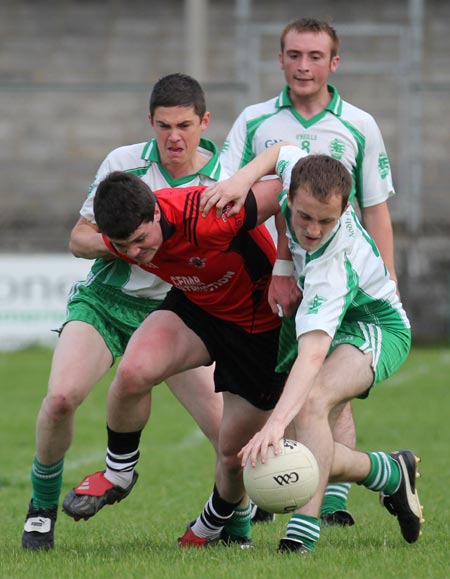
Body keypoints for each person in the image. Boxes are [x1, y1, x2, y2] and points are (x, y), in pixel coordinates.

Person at [21, 73, 227, 551]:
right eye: (163, 126)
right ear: (150, 123)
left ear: (204, 122)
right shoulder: (124, 163)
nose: (174, 137)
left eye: (184, 125)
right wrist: (129, 249)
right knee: (60, 399)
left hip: (178, 311)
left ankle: (231, 530)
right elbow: (78, 239)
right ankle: (40, 508)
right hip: (107, 304)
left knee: (226, 431)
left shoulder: (225, 174)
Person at [200, 143, 423, 553]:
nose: (314, 230)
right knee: (298, 438)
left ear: (344, 209)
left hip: (374, 325)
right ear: (290, 195)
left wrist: (272, 426)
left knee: (310, 403)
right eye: (304, 216)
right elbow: (281, 151)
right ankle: (389, 473)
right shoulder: (299, 173)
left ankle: (303, 530)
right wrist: (240, 181)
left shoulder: (332, 267)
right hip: (323, 316)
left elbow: (313, 356)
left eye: (327, 220)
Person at [219, 17, 399, 525]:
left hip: (340, 273)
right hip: (270, 274)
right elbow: (230, 188)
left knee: (324, 386)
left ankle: (325, 502)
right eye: (294, 55)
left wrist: (387, 275)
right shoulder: (255, 121)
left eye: (315, 56)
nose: (303, 65)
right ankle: (305, 485)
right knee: (297, 383)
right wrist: (276, 263)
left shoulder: (359, 124)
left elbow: (376, 207)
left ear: (333, 63)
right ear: (280, 59)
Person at [60, 169, 285, 550]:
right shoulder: (123, 235)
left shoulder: (210, 215)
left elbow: (287, 186)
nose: (133, 253)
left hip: (259, 327)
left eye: (139, 240)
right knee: (133, 372)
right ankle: (119, 474)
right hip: (198, 307)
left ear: (157, 215)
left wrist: (287, 266)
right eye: (121, 245)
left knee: (233, 455)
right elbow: (81, 242)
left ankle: (210, 524)